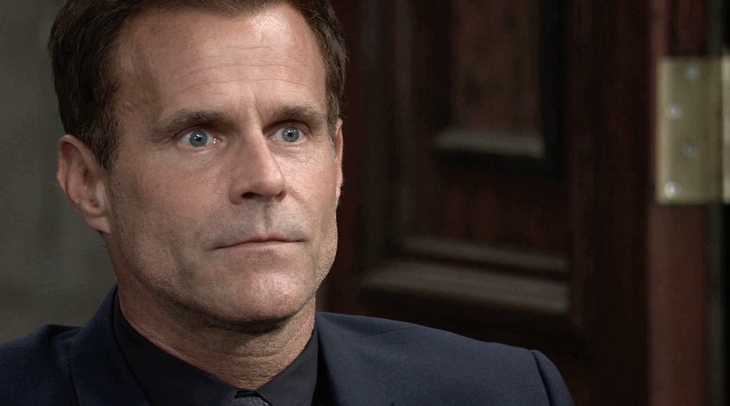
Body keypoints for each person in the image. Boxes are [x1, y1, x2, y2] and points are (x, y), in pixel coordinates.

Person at [0, 0, 574, 405]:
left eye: (291, 132)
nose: (265, 178)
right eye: (198, 136)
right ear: (88, 183)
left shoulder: (507, 392)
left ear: (338, 159)